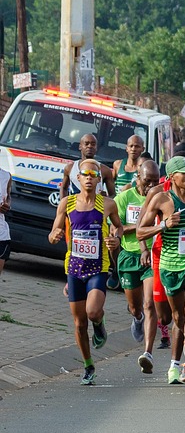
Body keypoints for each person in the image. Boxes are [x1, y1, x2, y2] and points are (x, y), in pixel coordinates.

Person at [136, 157, 185, 386]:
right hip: (170, 265)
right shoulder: (162, 199)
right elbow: (140, 232)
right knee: (177, 318)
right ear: (172, 177)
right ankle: (175, 363)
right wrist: (163, 225)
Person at [49, 160, 123, 385]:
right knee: (79, 323)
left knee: (92, 311)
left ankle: (99, 324)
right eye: (85, 174)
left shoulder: (108, 204)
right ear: (78, 178)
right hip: (74, 268)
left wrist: (116, 238)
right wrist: (54, 236)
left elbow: (118, 227)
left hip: (98, 267)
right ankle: (88, 365)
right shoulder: (67, 203)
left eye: (93, 174)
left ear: (99, 179)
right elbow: (53, 232)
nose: (89, 178)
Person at [115, 160, 161, 372]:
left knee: (149, 303)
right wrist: (141, 226)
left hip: (153, 255)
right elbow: (117, 228)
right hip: (129, 255)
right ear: (137, 178)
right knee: (135, 306)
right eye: (147, 181)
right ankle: (137, 317)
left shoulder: (161, 199)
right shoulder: (125, 197)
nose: (151, 185)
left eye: (155, 181)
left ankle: (148, 353)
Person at [60, 134, 116, 199]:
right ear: (80, 146)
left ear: (96, 148)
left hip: (95, 205)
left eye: (93, 144)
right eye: (86, 144)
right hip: (75, 205)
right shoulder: (70, 168)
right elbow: (64, 188)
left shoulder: (105, 170)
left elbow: (113, 195)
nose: (90, 146)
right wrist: (63, 203)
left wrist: (104, 199)